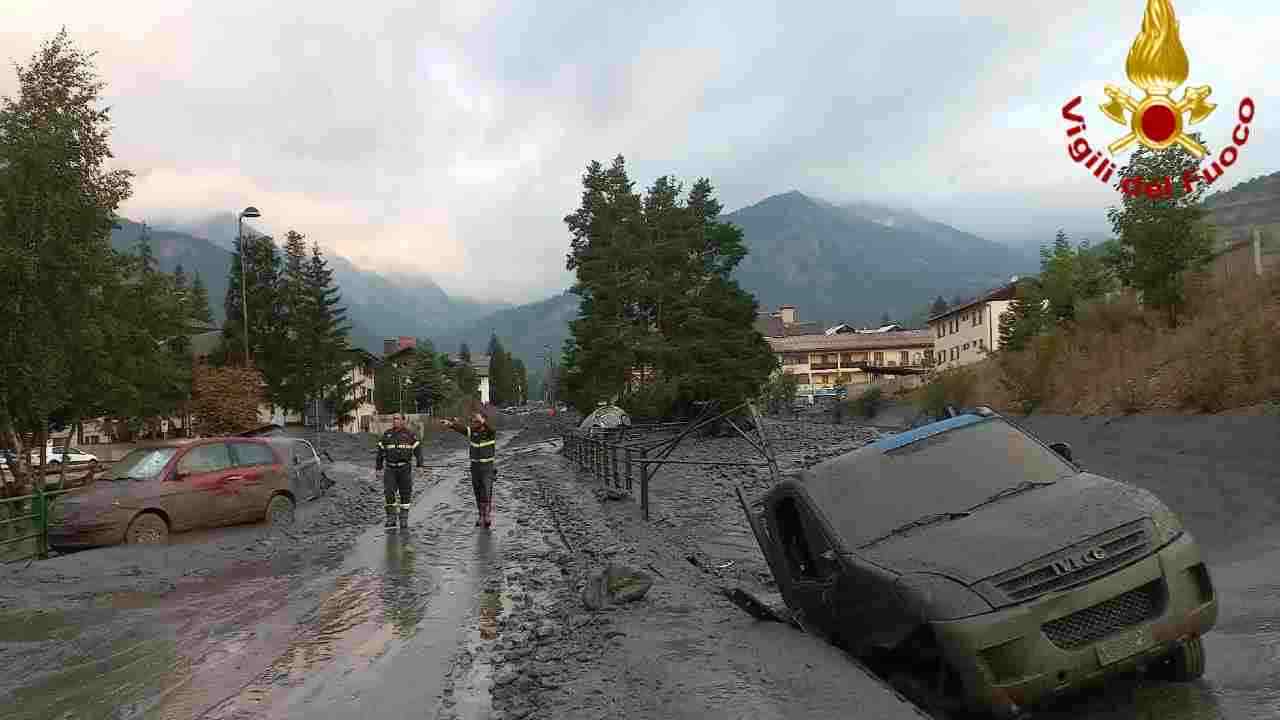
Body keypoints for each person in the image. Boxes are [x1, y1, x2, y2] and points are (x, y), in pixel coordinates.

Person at [441, 409, 497, 528]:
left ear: (484, 420)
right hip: (475, 467)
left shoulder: (490, 432)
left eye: (478, 420)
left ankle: (487, 515)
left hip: (487, 468)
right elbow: (462, 429)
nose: (475, 422)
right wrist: (451, 424)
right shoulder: (473, 431)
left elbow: (490, 429)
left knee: (486, 491)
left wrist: (482, 420)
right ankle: (481, 515)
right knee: (477, 491)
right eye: (475, 420)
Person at [376, 414, 424, 528]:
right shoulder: (387, 434)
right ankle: (391, 518)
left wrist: (420, 465)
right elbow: (380, 452)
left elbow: (418, 451)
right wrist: (378, 468)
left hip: (405, 468)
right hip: (390, 468)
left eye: (397, 419)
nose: (395, 421)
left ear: (403, 421)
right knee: (388, 492)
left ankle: (403, 519)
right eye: (393, 419)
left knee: (405, 493)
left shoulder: (410, 434)